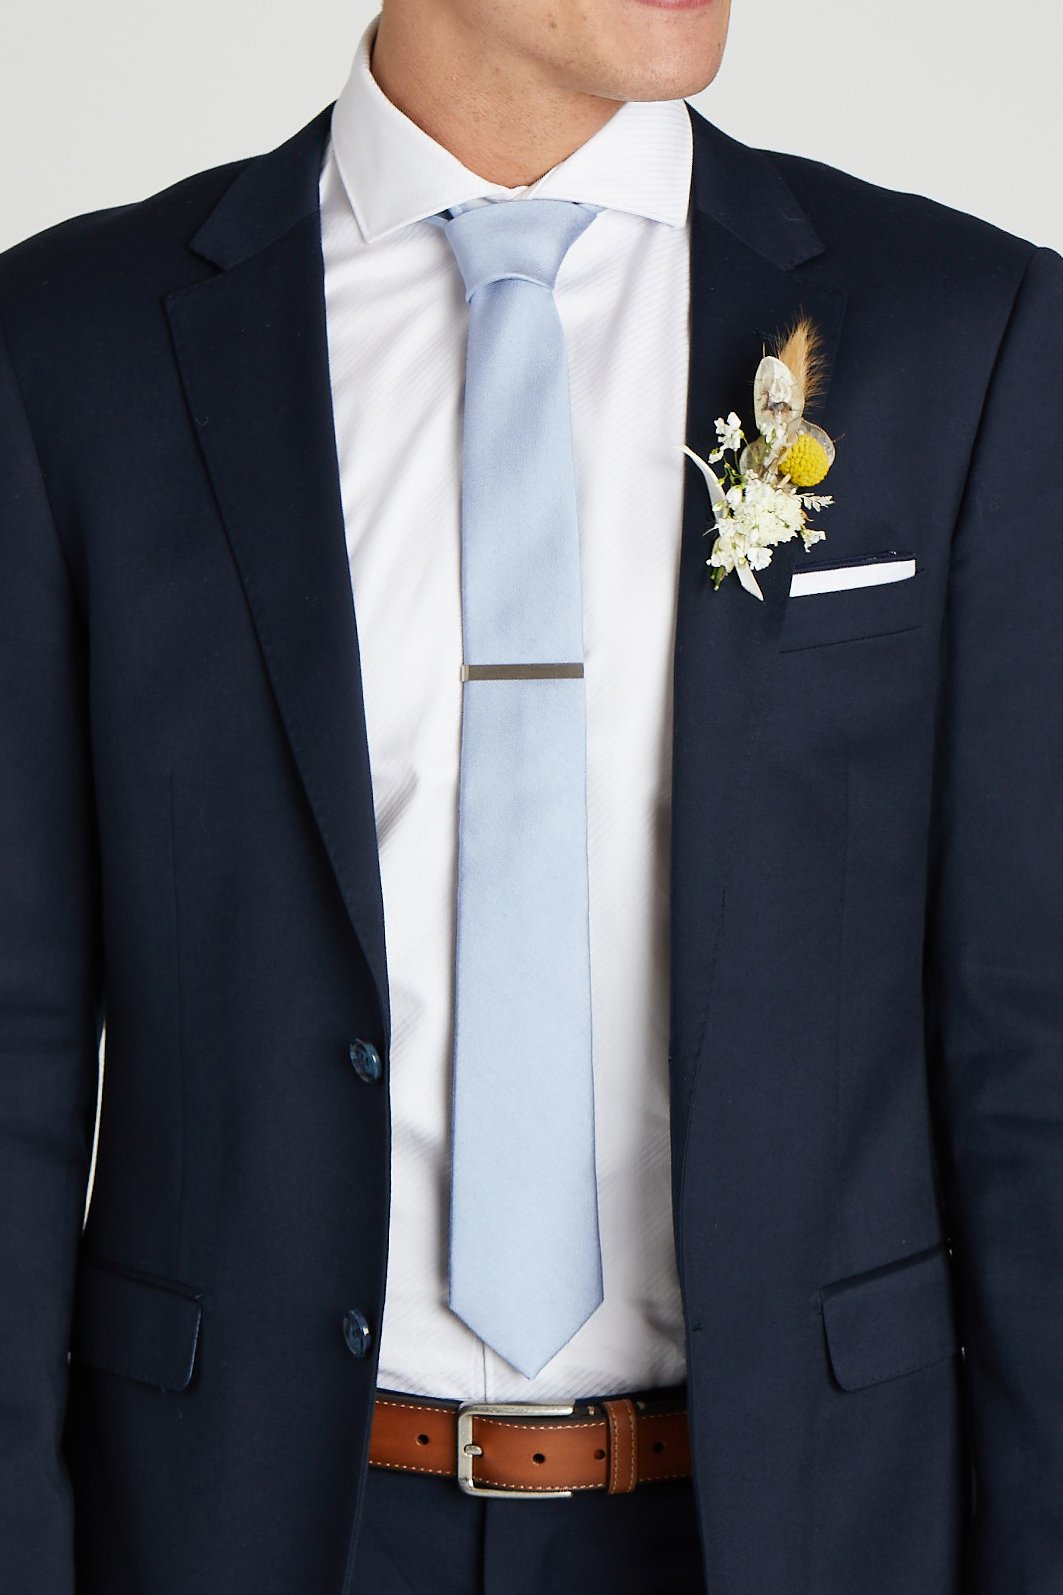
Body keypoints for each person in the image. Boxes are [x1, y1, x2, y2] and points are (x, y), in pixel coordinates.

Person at [1, 0, 1061, 1589]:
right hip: (251, 1521)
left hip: (801, 1521)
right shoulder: (70, 347)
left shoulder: (961, 330)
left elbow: (1029, 1050)